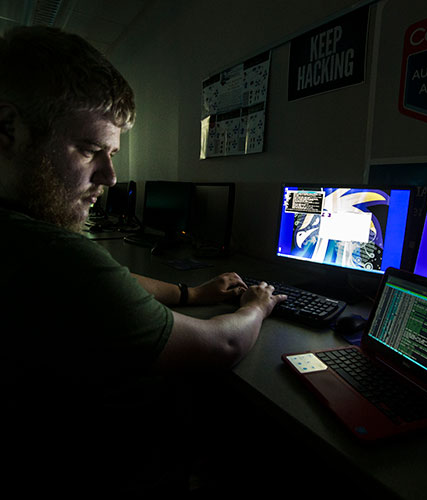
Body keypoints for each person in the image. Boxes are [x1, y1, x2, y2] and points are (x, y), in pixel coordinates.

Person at [0, 26, 286, 496]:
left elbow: (109, 277)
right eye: (90, 150)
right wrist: (255, 305)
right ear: (7, 129)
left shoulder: (31, 240)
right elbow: (223, 347)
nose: (111, 177)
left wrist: (191, 293)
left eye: (112, 154)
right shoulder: (51, 255)